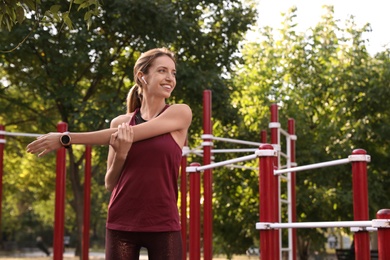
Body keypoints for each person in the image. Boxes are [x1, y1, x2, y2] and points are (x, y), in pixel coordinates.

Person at [26, 47, 192, 260]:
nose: (170, 78)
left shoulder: (180, 113)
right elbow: (110, 183)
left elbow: (130, 134)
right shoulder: (119, 122)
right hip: (121, 221)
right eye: (162, 71)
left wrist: (64, 138)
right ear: (142, 76)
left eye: (173, 72)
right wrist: (121, 155)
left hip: (163, 222)